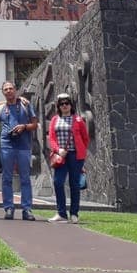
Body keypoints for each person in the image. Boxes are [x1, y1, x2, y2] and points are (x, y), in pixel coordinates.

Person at [0, 80, 39, 221]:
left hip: (23, 145)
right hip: (7, 143)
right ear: (3, 93)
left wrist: (24, 127)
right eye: (5, 89)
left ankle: (27, 209)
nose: (8, 91)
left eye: (11, 88)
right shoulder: (1, 108)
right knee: (6, 177)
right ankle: (8, 208)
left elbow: (35, 124)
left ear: (15, 89)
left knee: (25, 178)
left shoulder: (25, 105)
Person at [47, 93, 89, 224]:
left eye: (67, 103)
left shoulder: (78, 120)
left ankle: (74, 213)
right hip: (61, 156)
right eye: (61, 104)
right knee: (58, 182)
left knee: (74, 184)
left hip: (75, 156)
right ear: (58, 106)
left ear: (71, 105)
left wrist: (80, 150)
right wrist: (58, 150)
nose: (64, 106)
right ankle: (61, 213)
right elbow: (52, 138)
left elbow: (85, 138)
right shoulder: (54, 120)